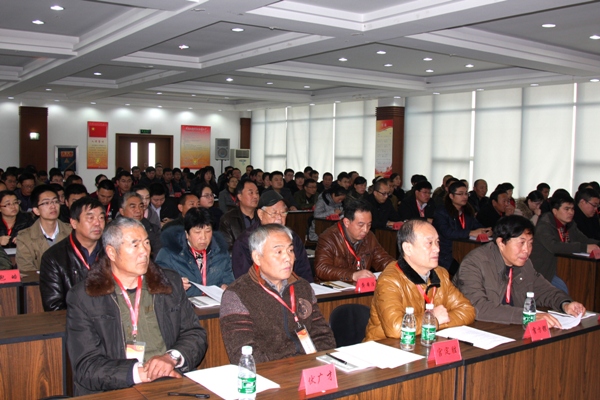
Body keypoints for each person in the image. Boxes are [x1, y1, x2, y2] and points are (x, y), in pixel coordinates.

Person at [65, 217, 207, 395]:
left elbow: (195, 334)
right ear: (111, 252)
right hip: (115, 389)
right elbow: (86, 366)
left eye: (146, 243)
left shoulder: (168, 283)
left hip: (169, 381)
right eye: (135, 245)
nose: (144, 252)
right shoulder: (85, 296)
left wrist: (171, 358)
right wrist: (140, 374)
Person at [220, 224, 335, 363]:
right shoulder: (237, 294)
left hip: (309, 365)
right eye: (278, 252)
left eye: (290, 250)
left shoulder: (302, 287)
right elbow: (243, 353)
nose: (288, 258)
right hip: (271, 371)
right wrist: (289, 366)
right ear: (257, 257)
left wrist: (314, 363)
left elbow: (323, 336)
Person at [454, 215, 585, 327]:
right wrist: (527, 317)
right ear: (501, 242)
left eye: (530, 243)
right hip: (479, 329)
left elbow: (544, 290)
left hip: (511, 328)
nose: (526, 250)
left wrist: (565, 304)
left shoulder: (524, 264)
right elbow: (478, 307)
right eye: (521, 243)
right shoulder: (474, 263)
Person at [365, 220, 475, 341]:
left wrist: (433, 323)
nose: (437, 249)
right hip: (385, 347)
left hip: (421, 344)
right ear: (408, 248)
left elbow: (467, 310)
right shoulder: (389, 280)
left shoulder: (441, 274)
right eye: (429, 243)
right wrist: (434, 320)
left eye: (437, 242)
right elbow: (396, 328)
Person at [39, 197, 105, 311]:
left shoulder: (112, 251)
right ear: (74, 223)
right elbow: (53, 306)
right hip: (72, 319)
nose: (98, 223)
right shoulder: (53, 257)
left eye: (101, 218)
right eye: (90, 218)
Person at [232, 191, 313, 282]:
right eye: (274, 213)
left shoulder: (293, 238)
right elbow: (244, 280)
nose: (279, 217)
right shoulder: (245, 241)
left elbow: (305, 273)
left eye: (283, 212)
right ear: (260, 214)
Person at [156, 208, 233, 297]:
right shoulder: (169, 253)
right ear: (187, 234)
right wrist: (175, 285)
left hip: (213, 303)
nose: (203, 237)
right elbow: (158, 282)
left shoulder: (221, 253)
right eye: (197, 232)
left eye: (208, 231)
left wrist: (226, 286)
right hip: (182, 303)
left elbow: (229, 279)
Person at [529, 193, 599, 293]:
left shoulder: (570, 225)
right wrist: (584, 248)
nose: (571, 212)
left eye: (572, 209)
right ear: (555, 211)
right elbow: (554, 246)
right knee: (563, 290)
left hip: (562, 267)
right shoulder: (544, 225)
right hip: (543, 271)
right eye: (566, 209)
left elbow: (584, 240)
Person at [314, 199, 395, 282]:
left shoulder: (369, 237)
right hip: (332, 287)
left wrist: (398, 268)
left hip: (359, 286)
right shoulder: (329, 238)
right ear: (346, 222)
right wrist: (352, 275)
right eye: (361, 225)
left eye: (369, 225)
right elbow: (321, 268)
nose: (365, 230)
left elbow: (382, 259)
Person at [432, 181, 491, 273]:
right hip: (446, 253)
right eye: (460, 194)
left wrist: (486, 231)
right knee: (466, 271)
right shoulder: (441, 211)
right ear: (451, 196)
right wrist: (470, 233)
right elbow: (447, 232)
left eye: (466, 193)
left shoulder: (467, 211)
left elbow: (477, 226)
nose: (465, 197)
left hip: (465, 250)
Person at [16, 185, 72, 272]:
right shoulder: (25, 237)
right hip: (38, 280)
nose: (53, 206)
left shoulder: (72, 231)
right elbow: (26, 270)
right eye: (46, 203)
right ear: (36, 210)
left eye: (55, 201)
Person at [219, 180, 260, 250]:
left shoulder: (262, 216)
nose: (255, 196)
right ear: (240, 196)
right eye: (251, 193)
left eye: (257, 193)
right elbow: (227, 249)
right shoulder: (227, 219)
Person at [118, 192, 162, 257]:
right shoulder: (114, 230)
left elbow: (159, 256)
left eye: (141, 206)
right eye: (133, 207)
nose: (138, 210)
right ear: (122, 211)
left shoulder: (153, 230)